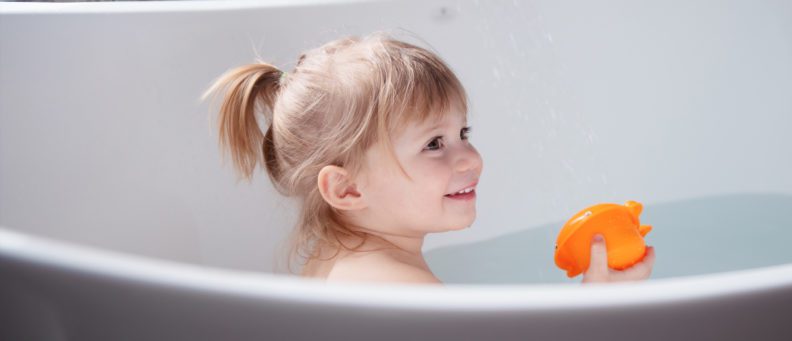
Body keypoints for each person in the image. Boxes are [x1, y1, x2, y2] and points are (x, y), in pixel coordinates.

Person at [202, 32, 655, 285]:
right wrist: (599, 311)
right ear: (347, 189)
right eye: (433, 144)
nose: (471, 159)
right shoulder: (402, 291)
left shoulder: (338, 261)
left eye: (463, 133)